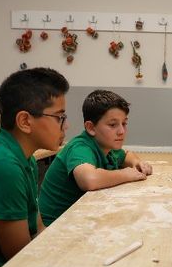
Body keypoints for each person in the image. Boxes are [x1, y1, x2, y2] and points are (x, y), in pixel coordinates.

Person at [0, 68, 69, 267]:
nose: (65, 126)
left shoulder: (26, 158)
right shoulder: (4, 165)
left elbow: (38, 227)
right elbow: (18, 254)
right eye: (59, 118)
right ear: (25, 121)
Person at [39, 90, 152, 226]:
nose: (121, 131)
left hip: (76, 218)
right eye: (112, 125)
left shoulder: (106, 146)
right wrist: (125, 174)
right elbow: (89, 179)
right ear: (91, 128)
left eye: (124, 123)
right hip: (53, 227)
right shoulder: (80, 147)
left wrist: (137, 162)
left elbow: (126, 155)